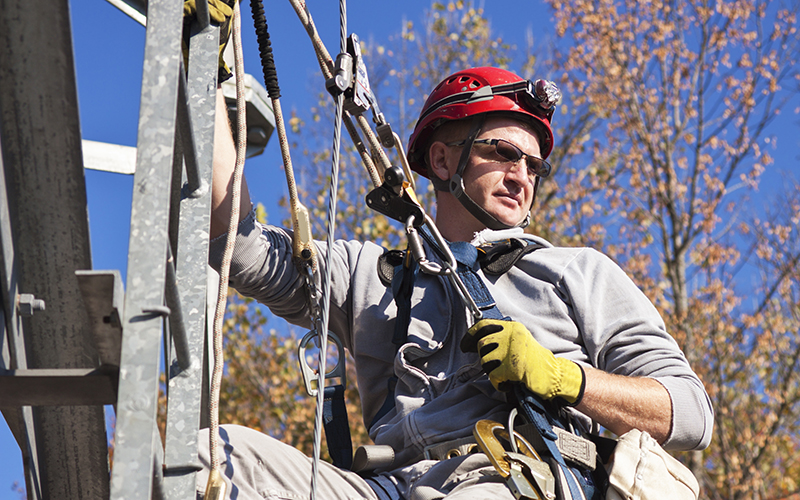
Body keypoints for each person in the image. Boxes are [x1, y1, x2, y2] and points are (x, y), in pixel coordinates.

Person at [200, 66, 713, 500]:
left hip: (512, 480)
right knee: (213, 457)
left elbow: (690, 413)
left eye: (534, 166)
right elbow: (240, 249)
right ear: (442, 160)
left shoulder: (576, 273)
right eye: (503, 154)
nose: (522, 176)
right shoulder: (373, 276)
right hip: (393, 486)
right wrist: (204, 63)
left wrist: (560, 377)